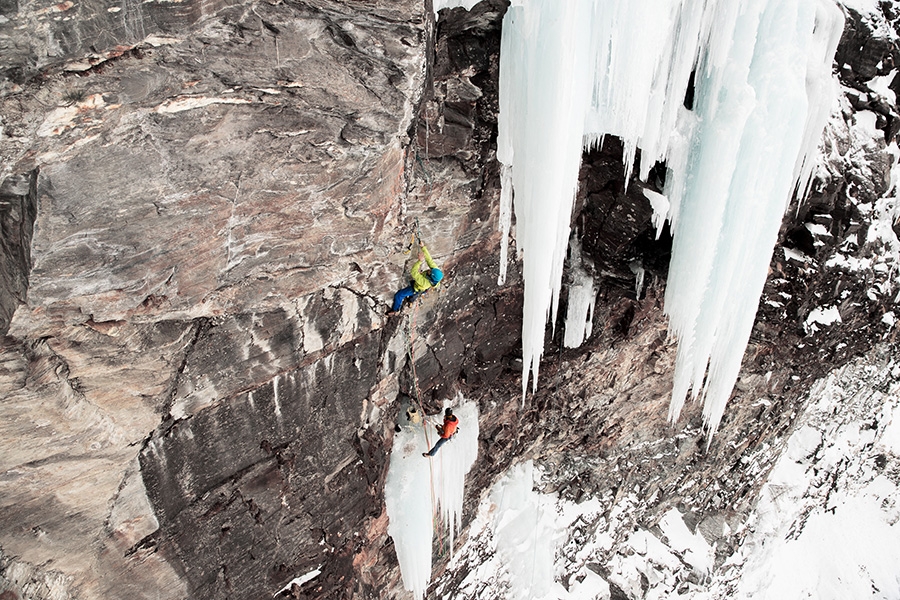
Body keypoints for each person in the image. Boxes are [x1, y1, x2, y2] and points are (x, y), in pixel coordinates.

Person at [388, 242, 443, 314]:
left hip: (415, 288)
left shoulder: (424, 282)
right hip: (422, 289)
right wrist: (423, 247)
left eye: (430, 271)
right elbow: (429, 260)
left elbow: (414, 272)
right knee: (415, 295)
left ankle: (395, 310)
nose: (430, 269)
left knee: (400, 295)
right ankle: (410, 301)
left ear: (430, 276)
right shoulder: (436, 274)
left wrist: (419, 262)